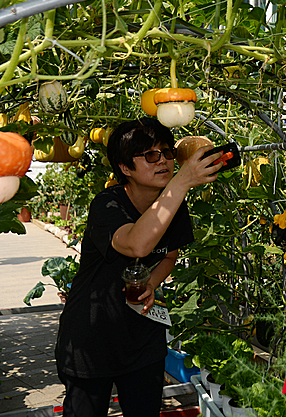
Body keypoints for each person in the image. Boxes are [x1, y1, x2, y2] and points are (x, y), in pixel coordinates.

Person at [55, 117, 222, 417]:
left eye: (168, 153)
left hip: (143, 340)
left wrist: (152, 282)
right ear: (124, 168)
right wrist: (182, 180)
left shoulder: (173, 203)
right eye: (150, 155)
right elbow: (137, 244)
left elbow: (168, 256)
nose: (164, 161)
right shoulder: (107, 204)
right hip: (91, 339)